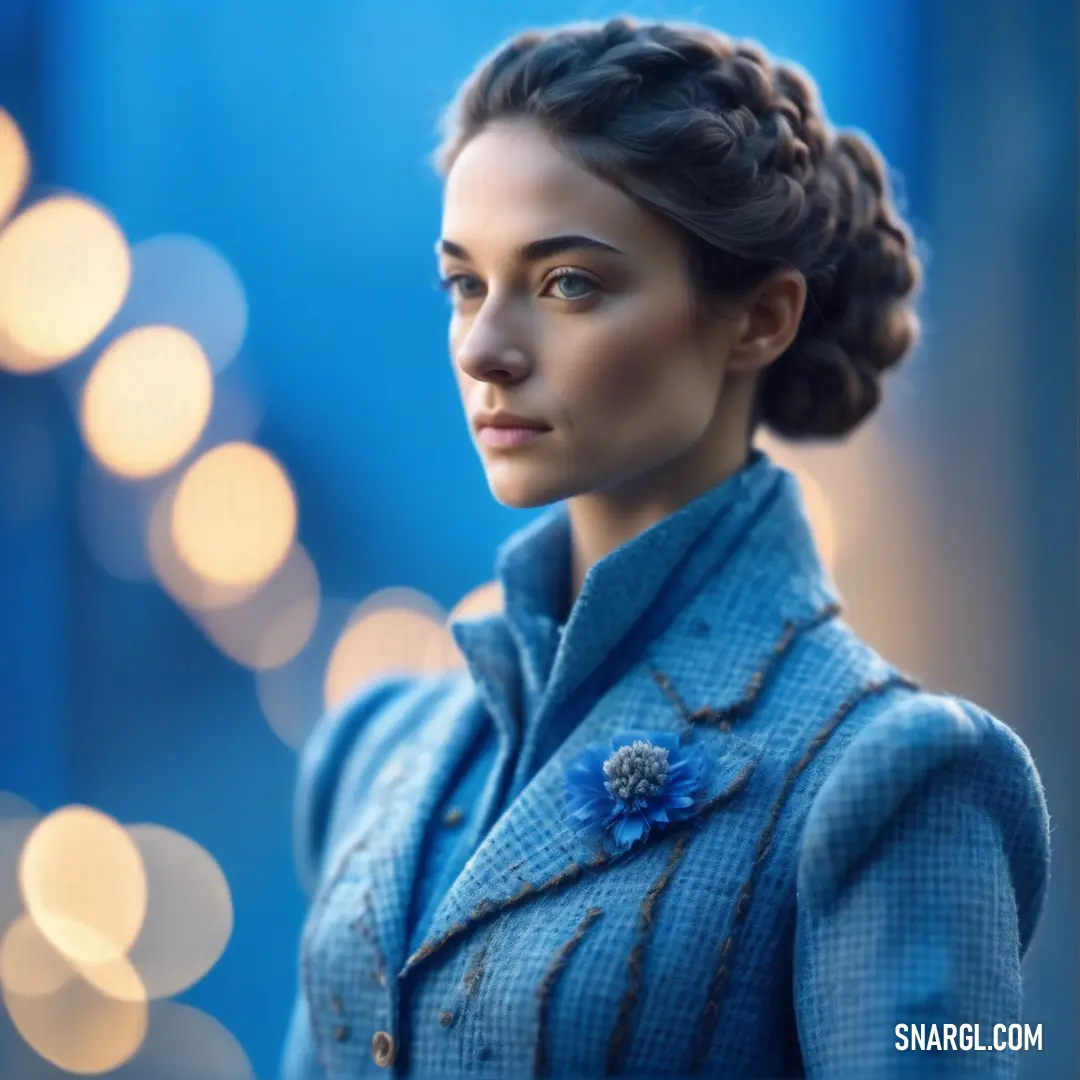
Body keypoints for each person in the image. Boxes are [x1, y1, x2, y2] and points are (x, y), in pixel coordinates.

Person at [281, 16, 1050, 1079]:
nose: (484, 348)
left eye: (568, 285)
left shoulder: (893, 776)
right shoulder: (375, 749)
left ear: (760, 319)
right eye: (465, 282)